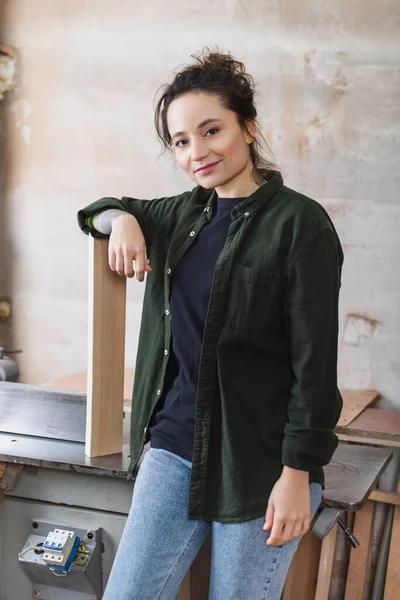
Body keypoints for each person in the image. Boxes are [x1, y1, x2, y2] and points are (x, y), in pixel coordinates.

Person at [77, 47, 344, 600]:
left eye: (211, 130)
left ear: (248, 127)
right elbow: (95, 210)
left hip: (261, 464)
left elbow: (315, 364)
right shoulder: (178, 215)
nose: (196, 152)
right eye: (180, 141)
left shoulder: (301, 225)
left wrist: (298, 473)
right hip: (171, 450)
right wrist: (123, 218)